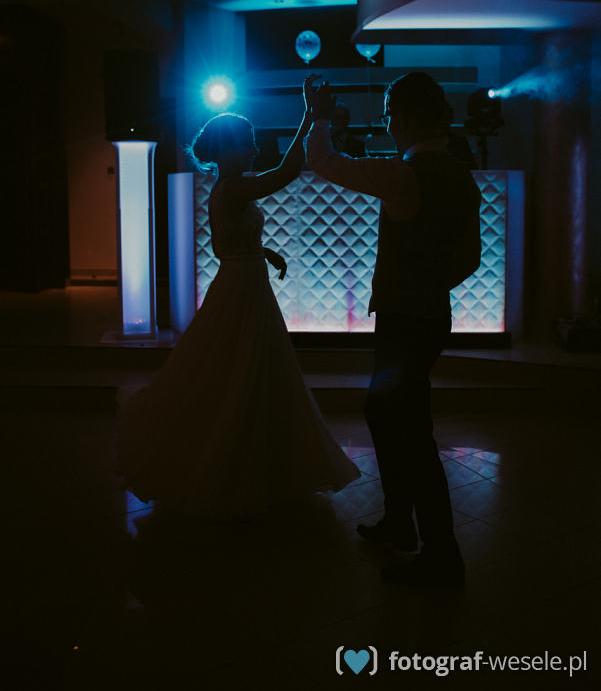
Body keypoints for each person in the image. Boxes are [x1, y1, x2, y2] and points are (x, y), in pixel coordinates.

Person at [113, 82, 360, 518]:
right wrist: (310, 115)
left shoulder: (229, 188)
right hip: (242, 289)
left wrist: (262, 251)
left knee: (240, 369)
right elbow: (285, 174)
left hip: (244, 281)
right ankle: (237, 464)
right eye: (248, 143)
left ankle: (251, 460)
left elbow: (224, 245)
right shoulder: (231, 188)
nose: (254, 150)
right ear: (228, 150)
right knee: (239, 369)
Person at [306, 72, 482, 585]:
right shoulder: (461, 175)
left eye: (388, 114)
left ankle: (441, 552)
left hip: (403, 321)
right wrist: (431, 284)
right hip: (432, 317)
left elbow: (322, 162)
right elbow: (470, 258)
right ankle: (400, 522)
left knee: (410, 432)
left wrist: (319, 115)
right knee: (388, 414)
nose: (387, 123)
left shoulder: (404, 174)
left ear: (402, 116)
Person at [439, 101, 478, 168]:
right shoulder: (460, 142)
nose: (440, 122)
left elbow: (471, 167)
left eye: (445, 118)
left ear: (451, 120)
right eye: (439, 118)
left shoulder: (461, 143)